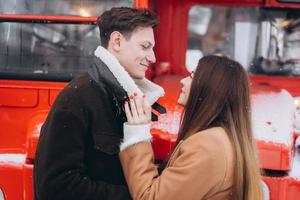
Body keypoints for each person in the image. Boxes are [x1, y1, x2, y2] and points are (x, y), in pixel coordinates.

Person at [34, 7, 164, 200]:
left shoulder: (124, 98)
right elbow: (56, 186)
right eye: (145, 47)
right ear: (117, 41)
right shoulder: (77, 99)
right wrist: (136, 196)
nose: (152, 57)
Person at [119, 55, 263, 200]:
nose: (183, 81)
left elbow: (151, 197)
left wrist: (137, 137)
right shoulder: (224, 140)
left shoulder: (208, 146)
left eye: (192, 77)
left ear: (210, 88)